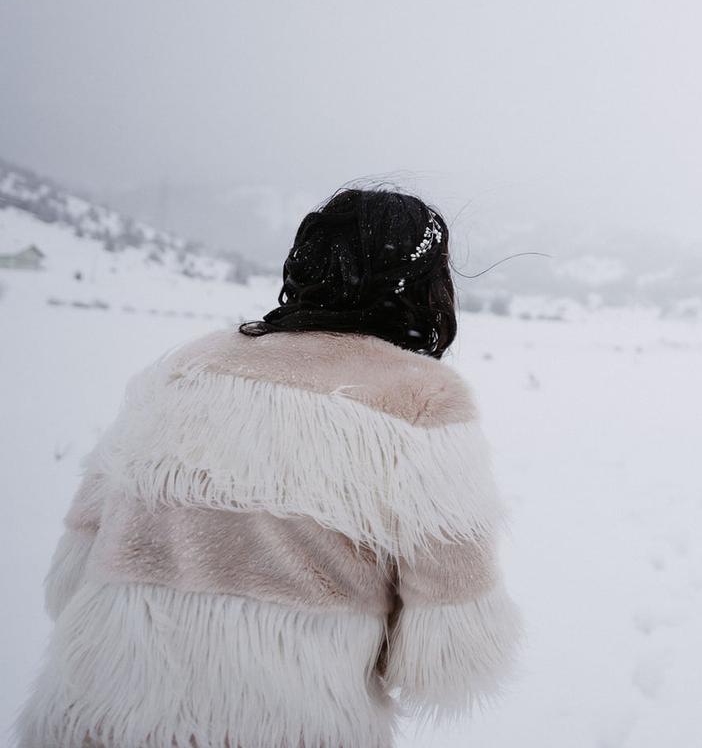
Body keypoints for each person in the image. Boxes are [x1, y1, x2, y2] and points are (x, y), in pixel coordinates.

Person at [18, 188, 520, 748]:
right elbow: (453, 649)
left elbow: (70, 577)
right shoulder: (422, 403)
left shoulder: (188, 368)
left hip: (92, 718)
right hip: (290, 726)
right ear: (425, 285)